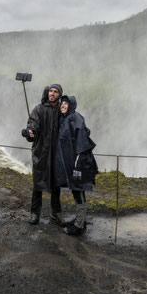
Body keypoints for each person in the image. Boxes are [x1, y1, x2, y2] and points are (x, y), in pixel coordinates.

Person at [53, 95, 98, 236]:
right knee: (75, 190)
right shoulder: (64, 119)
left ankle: (79, 226)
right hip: (71, 163)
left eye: (66, 104)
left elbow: (82, 144)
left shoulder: (76, 118)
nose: (63, 105)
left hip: (79, 163)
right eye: (62, 103)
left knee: (79, 192)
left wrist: (78, 166)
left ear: (72, 105)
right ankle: (80, 220)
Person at [22, 84, 65, 226]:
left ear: (59, 95)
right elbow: (33, 124)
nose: (52, 93)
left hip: (57, 154)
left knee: (56, 184)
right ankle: (35, 214)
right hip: (41, 152)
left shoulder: (62, 110)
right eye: (51, 91)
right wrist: (29, 131)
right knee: (38, 183)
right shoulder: (38, 109)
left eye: (55, 92)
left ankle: (56, 213)